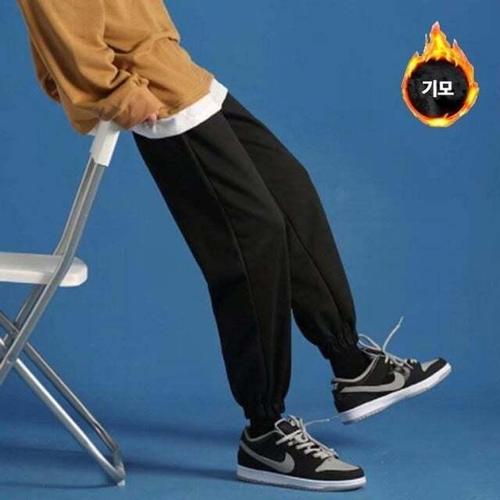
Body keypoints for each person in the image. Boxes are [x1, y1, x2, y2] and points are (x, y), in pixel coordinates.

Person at [16, 0, 451, 492]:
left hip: (178, 72)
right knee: (251, 239)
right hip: (152, 87)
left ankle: (352, 363)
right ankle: (266, 433)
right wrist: (120, 94)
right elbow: (64, 29)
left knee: (291, 193)